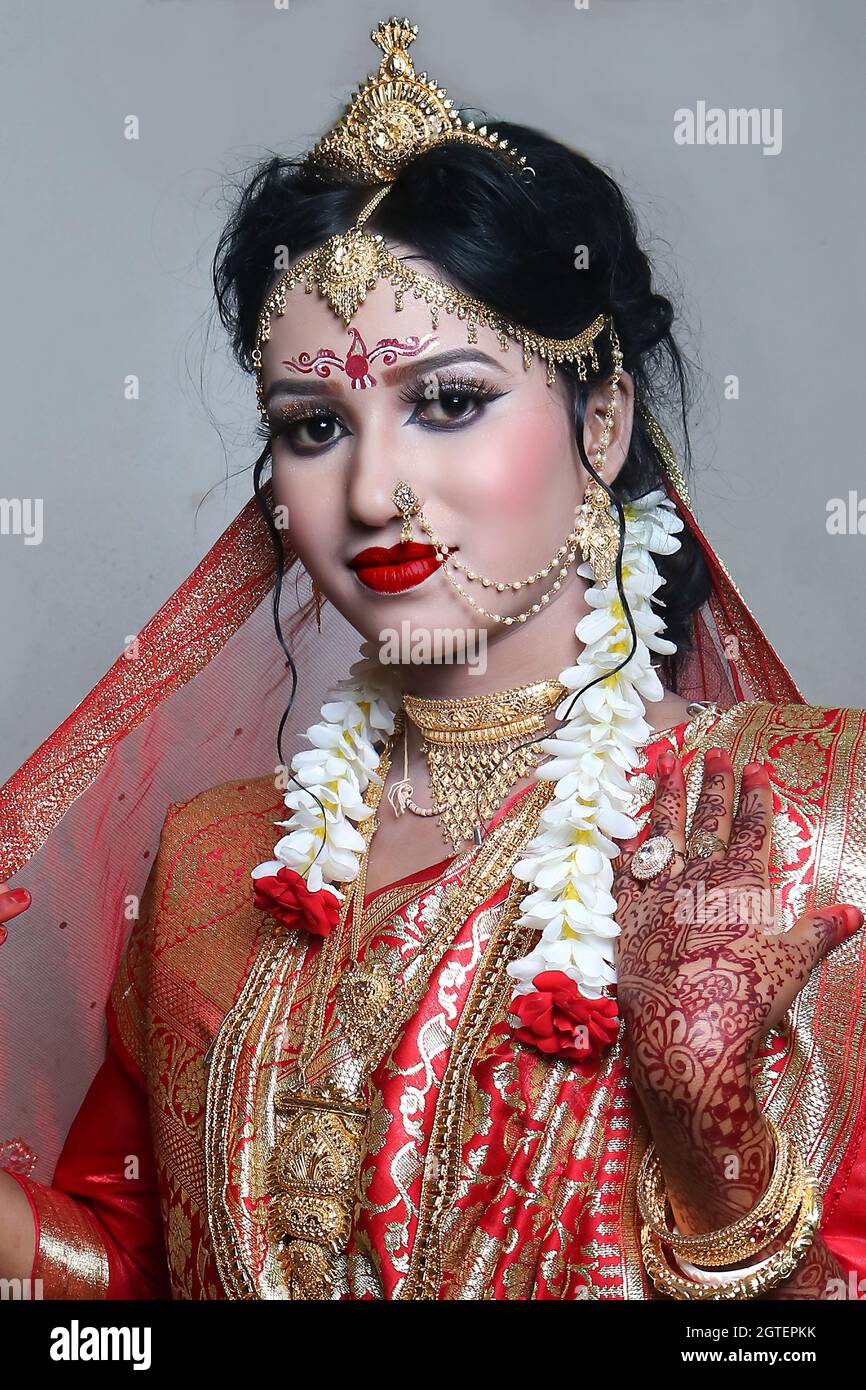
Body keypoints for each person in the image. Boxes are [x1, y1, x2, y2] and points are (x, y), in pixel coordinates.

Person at [1, 16, 865, 1301]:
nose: (370, 488)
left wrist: (716, 1142)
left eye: (448, 402)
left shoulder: (802, 823)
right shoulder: (201, 870)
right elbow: (124, 1303)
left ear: (603, 418)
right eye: (311, 424)